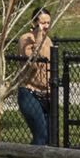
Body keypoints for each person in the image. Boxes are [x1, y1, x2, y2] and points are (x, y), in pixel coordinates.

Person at [17, 9, 54, 144]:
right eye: (43, 23)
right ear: (34, 23)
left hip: (48, 93)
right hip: (29, 92)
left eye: (48, 22)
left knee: (50, 136)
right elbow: (33, 65)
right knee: (41, 134)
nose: (46, 26)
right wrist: (38, 37)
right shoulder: (25, 39)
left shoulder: (48, 40)